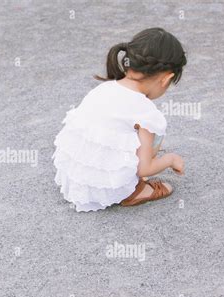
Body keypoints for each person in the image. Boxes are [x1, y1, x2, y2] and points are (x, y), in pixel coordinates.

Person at [53, 28, 187, 212]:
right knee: (154, 134)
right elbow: (144, 169)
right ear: (166, 79)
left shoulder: (105, 88)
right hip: (107, 187)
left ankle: (121, 170)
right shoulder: (147, 112)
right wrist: (170, 159)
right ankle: (135, 192)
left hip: (76, 178)